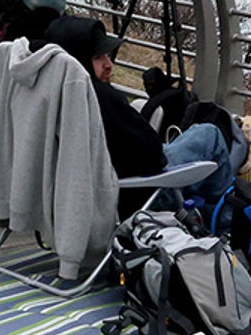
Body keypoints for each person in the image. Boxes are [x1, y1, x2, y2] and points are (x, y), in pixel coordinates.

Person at [43, 15, 237, 209]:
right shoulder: (100, 99)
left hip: (75, 197)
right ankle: (228, 219)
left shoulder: (47, 94)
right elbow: (155, 157)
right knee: (209, 135)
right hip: (140, 194)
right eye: (98, 57)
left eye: (107, 55)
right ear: (77, 60)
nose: (109, 64)